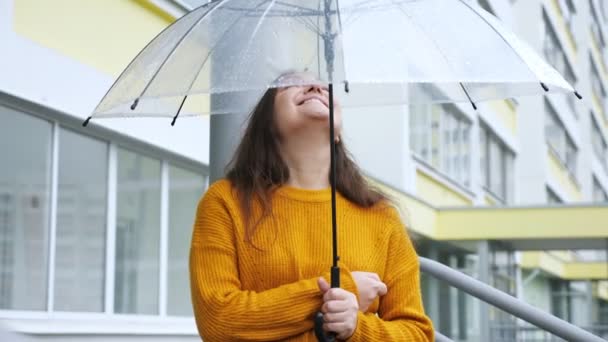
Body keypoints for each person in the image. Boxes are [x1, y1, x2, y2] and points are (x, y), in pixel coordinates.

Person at [189, 72, 434, 341]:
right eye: (291, 82)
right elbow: (218, 322)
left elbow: (416, 334)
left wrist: (356, 328)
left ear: (338, 133)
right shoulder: (225, 202)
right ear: (267, 121)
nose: (316, 87)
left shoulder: (381, 216)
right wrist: (338, 291)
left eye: (324, 86)